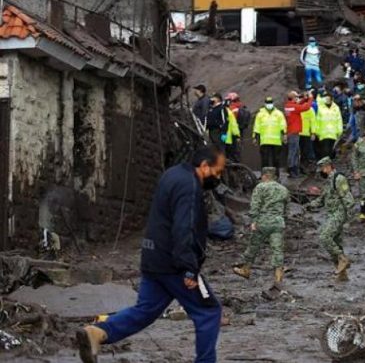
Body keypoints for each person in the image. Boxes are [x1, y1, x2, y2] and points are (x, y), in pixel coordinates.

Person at [75, 148, 226, 363]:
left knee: (145, 310)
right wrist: (189, 268)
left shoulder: (171, 174)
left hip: (153, 258)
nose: (218, 178)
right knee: (209, 312)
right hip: (174, 263)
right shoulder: (190, 186)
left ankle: (97, 332)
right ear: (204, 166)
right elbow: (184, 228)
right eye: (217, 172)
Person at [233, 167, 290, 284]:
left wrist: (254, 220)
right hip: (278, 222)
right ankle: (278, 277)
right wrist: (283, 220)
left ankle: (246, 269)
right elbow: (287, 209)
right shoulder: (284, 189)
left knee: (254, 246)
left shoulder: (260, 187)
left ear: (265, 176)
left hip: (263, 222)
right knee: (277, 249)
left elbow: (255, 205)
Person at [313, 157, 355, 281]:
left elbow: (348, 199)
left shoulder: (339, 179)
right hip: (331, 214)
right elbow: (322, 199)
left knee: (325, 236)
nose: (321, 171)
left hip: (339, 214)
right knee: (336, 244)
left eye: (322, 169)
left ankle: (343, 259)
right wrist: (309, 205)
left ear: (328, 166)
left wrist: (348, 218)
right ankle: (342, 275)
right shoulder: (329, 181)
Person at [283, 91, 313, 177]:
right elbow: (306, 107)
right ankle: (292, 169)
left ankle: (294, 170)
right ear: (293, 98)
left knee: (295, 151)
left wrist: (305, 98)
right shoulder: (293, 107)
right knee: (293, 151)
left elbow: (299, 104)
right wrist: (310, 98)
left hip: (291, 131)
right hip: (293, 132)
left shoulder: (288, 106)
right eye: (296, 97)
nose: (298, 98)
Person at [253, 97, 287, 171]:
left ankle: (276, 175)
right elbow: (256, 127)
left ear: (273, 103)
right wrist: (255, 137)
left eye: (270, 103)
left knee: (276, 160)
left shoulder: (279, 114)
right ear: (265, 104)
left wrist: (284, 135)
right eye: (268, 103)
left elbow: (283, 125)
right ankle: (265, 176)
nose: (269, 105)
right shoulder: (260, 114)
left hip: (276, 141)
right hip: (264, 141)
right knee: (265, 160)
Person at [314, 93, 344, 159]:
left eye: (328, 99)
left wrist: (340, 130)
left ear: (331, 99)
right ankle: (325, 165)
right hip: (323, 133)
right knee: (325, 151)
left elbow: (339, 119)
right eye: (326, 99)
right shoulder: (321, 108)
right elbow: (318, 120)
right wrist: (317, 131)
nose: (327, 100)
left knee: (331, 150)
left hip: (333, 133)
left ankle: (329, 166)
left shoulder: (336, 108)